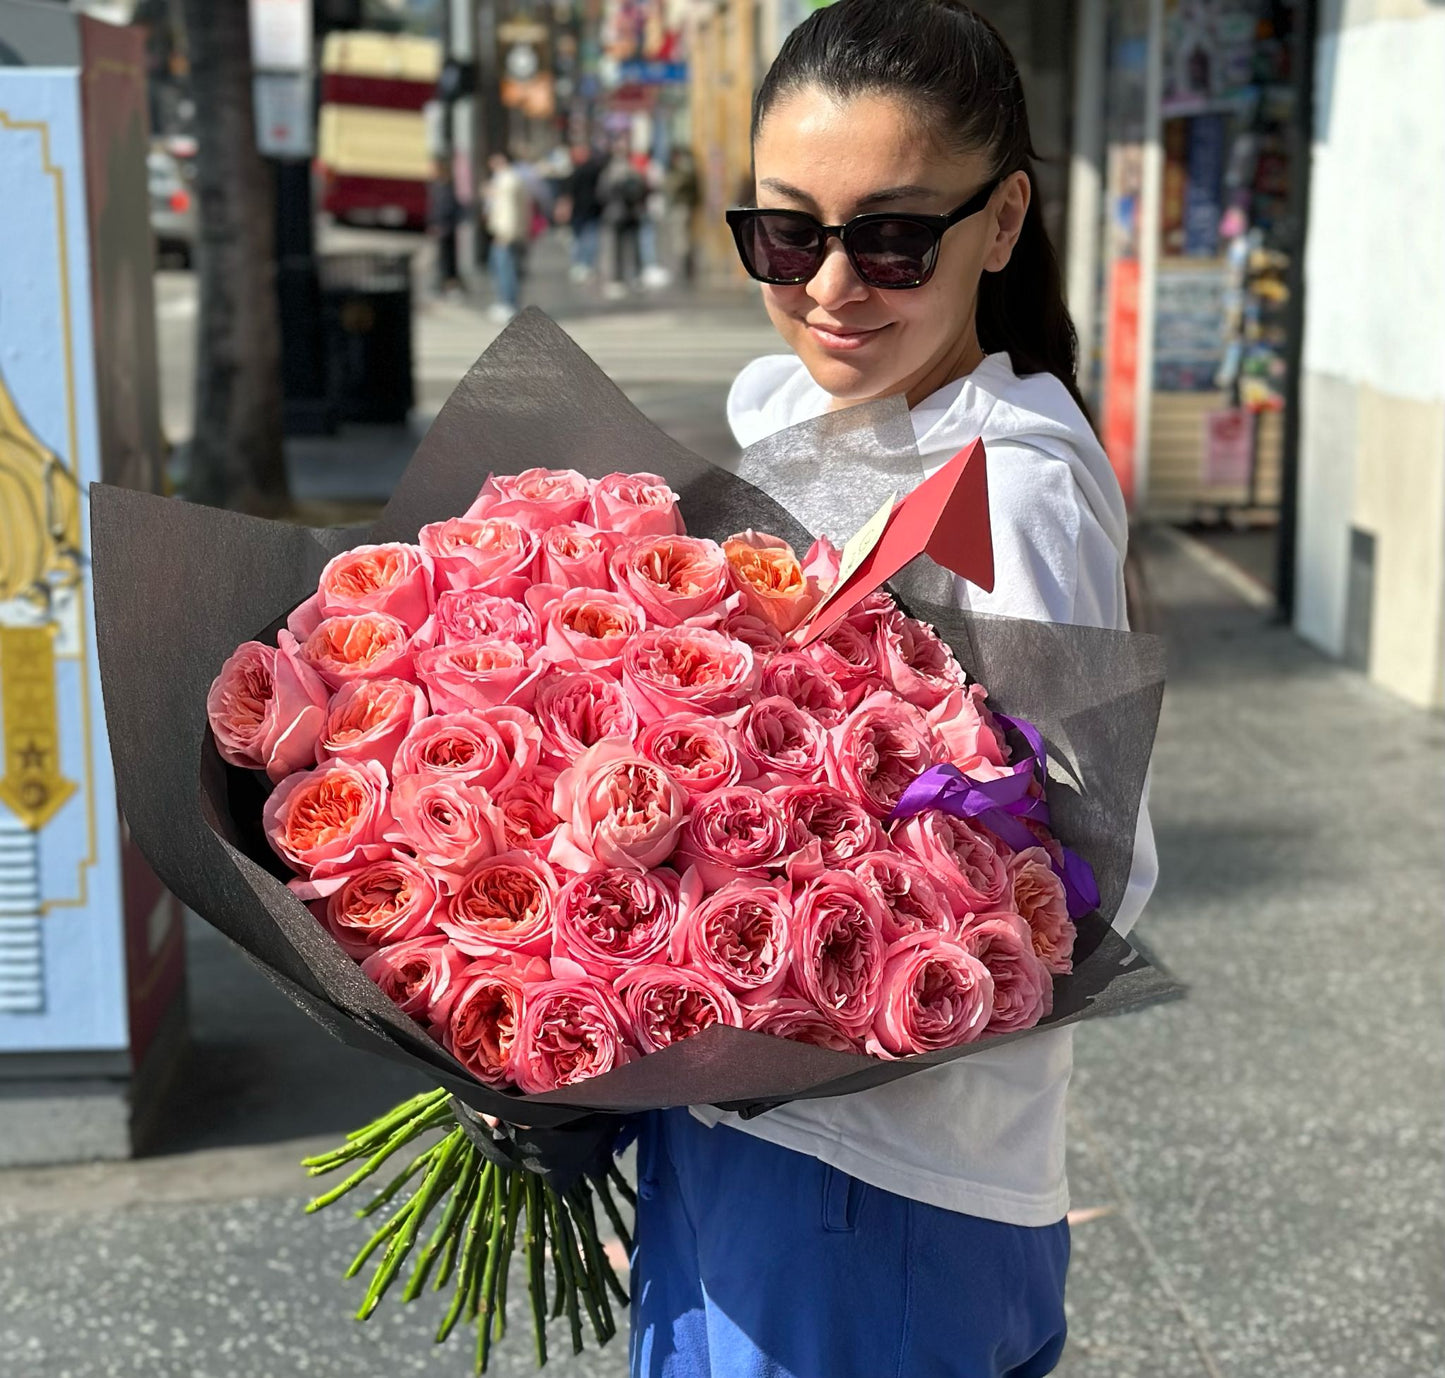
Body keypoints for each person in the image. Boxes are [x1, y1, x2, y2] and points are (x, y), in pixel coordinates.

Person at [628, 4, 1157, 1377]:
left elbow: (1101, 875)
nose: (829, 285)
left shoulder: (1007, 490)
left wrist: (840, 948)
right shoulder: (795, 426)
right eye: (787, 232)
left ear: (1002, 219)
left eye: (893, 235)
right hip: (734, 1131)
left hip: (882, 1171)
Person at [482, 150, 532, 323]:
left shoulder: (508, 180)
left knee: (505, 268)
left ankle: (508, 304)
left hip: (506, 232)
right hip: (507, 231)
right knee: (502, 267)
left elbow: (510, 210)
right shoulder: (506, 179)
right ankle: (507, 302)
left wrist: (505, 233)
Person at [600, 144, 648, 299]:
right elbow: (643, 190)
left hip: (616, 214)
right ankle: (636, 276)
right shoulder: (634, 171)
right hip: (632, 214)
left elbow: (601, 193)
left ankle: (617, 279)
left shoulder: (609, 173)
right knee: (634, 246)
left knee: (616, 248)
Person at [565, 144, 607, 283]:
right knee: (584, 239)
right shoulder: (594, 169)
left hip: (586, 210)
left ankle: (583, 264)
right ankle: (584, 264)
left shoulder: (583, 170)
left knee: (585, 239)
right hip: (587, 210)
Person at [662, 146, 700, 283]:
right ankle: (684, 268)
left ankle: (684, 269)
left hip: (682, 207)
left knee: (681, 239)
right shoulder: (685, 168)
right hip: (682, 206)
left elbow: (673, 185)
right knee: (680, 238)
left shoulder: (684, 169)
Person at [425, 157, 462, 296]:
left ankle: (450, 285)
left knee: (447, 259)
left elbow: (447, 207)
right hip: (440, 227)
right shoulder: (436, 185)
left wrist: (440, 224)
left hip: (446, 228)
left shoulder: (446, 186)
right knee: (441, 258)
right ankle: (443, 284)